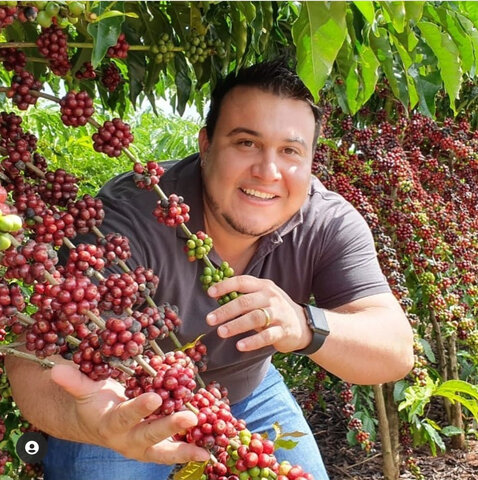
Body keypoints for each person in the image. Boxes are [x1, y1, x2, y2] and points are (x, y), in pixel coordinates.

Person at [5, 60, 414, 480]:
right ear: (206, 145)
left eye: (290, 151)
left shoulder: (326, 223)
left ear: (310, 162)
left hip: (244, 390)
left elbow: (394, 349)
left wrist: (305, 325)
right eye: (246, 143)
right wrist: (90, 424)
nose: (268, 172)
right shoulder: (125, 222)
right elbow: (36, 353)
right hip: (123, 405)